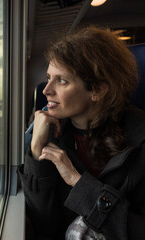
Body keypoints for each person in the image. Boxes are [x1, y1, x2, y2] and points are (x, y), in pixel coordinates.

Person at [18, 26, 145, 240]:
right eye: (49, 77)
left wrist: (78, 183)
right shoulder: (51, 134)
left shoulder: (139, 141)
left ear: (97, 90)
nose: (46, 90)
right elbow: (45, 226)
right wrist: (35, 151)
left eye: (62, 80)